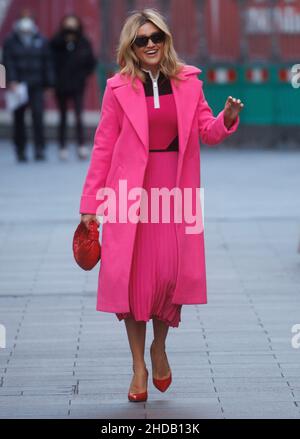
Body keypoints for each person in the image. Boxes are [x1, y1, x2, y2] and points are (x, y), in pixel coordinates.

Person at [78, 8, 244, 402]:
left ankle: (159, 346)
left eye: (157, 37)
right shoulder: (117, 88)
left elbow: (208, 130)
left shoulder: (188, 82)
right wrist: (90, 204)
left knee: (169, 277)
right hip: (128, 191)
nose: (150, 44)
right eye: (142, 39)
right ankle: (138, 365)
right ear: (131, 47)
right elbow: (103, 146)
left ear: (166, 40)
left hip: (174, 190)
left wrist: (227, 117)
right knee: (135, 282)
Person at [2, 12, 55, 162]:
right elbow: (4, 64)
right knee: (18, 119)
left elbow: (48, 64)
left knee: (38, 116)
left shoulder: (41, 40)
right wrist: (8, 82)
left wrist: (49, 84)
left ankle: (39, 148)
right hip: (17, 86)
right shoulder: (10, 41)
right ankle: (20, 150)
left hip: (36, 85)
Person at [50, 14, 97, 161]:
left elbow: (91, 62)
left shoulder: (83, 42)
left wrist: (83, 75)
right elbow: (50, 62)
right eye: (68, 24)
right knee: (62, 116)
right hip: (61, 84)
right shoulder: (56, 42)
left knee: (78, 115)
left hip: (77, 84)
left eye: (73, 24)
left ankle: (81, 146)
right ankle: (62, 147)